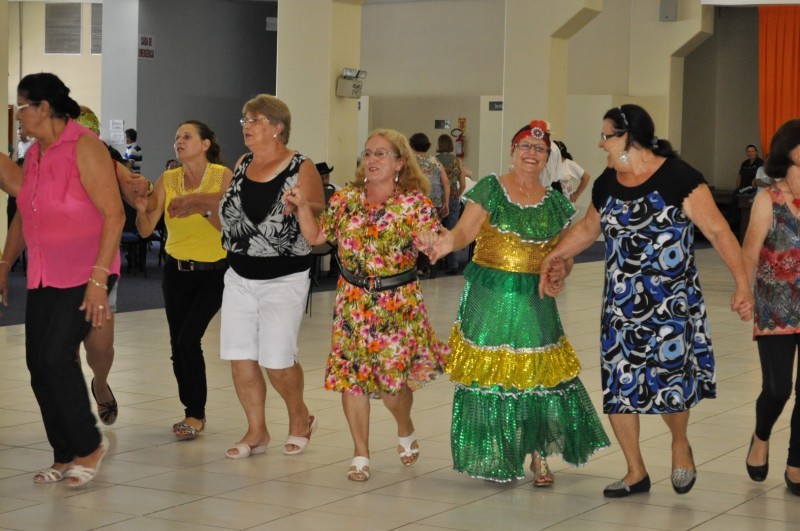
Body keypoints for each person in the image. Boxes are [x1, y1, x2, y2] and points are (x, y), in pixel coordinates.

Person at [539, 104, 753, 497]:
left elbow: (719, 231)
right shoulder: (608, 181)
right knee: (620, 386)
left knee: (670, 383)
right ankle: (635, 470)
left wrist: (742, 284)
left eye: (607, 136)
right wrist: (556, 255)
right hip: (621, 306)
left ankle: (678, 443)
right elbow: (589, 228)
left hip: (672, 304)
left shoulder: (678, 177)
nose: (600, 143)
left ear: (630, 137)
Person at [422, 120, 610, 484]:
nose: (531, 154)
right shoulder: (491, 189)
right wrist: (445, 243)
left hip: (535, 298)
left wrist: (560, 272)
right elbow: (465, 232)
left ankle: (539, 456)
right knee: (493, 376)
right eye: (524, 146)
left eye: (539, 149)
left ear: (548, 158)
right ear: (512, 152)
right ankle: (497, 453)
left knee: (536, 375)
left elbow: (564, 254)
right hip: (490, 295)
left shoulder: (555, 203)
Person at [284, 128, 448, 482]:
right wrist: (300, 207)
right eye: (368, 153)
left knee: (392, 389)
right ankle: (361, 453)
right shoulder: (346, 199)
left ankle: (404, 426)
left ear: (399, 163)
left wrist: (429, 241)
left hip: (397, 304)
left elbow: (433, 244)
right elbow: (315, 237)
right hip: (352, 302)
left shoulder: (414, 204)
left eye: (381, 154)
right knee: (351, 379)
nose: (372, 160)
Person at [0, 73, 124, 486]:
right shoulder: (36, 153)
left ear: (44, 108)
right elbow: (25, 209)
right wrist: (5, 264)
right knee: (39, 364)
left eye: (23, 107)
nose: (18, 116)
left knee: (56, 357)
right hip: (44, 273)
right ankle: (64, 452)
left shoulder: (85, 147)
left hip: (84, 273)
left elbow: (114, 213)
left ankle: (89, 445)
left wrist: (99, 278)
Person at [219, 95, 322, 460]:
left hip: (284, 277)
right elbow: (229, 208)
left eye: (257, 119)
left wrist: (301, 205)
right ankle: (256, 429)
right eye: (245, 119)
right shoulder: (243, 162)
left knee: (277, 360)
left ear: (278, 128)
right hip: (239, 274)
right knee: (240, 355)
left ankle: (299, 417)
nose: (247, 125)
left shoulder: (300, 165)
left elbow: (319, 214)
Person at [134, 120, 232, 440]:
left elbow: (229, 229)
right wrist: (139, 206)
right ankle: (192, 410)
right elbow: (146, 229)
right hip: (176, 272)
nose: (179, 141)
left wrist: (198, 207)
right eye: (176, 137)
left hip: (213, 273)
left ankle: (196, 413)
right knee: (179, 345)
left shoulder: (222, 176)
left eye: (187, 136)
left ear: (205, 144)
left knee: (189, 339)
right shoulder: (169, 178)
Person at [742, 119, 800, 496]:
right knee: (778, 389)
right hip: (776, 306)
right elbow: (749, 251)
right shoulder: (769, 200)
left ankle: (796, 464)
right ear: (785, 163)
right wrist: (743, 292)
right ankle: (761, 435)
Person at [409, 132, 449, 278]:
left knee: (414, 234)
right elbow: (445, 182)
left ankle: (417, 267)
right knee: (433, 234)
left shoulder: (410, 161)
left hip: (414, 203)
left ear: (412, 145)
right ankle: (431, 267)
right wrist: (446, 202)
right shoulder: (435, 161)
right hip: (434, 203)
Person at [435, 134, 466, 275]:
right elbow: (463, 183)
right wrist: (457, 195)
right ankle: (453, 264)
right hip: (453, 197)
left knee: (436, 230)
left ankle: (434, 261)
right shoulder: (457, 161)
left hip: (437, 198)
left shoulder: (434, 160)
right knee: (452, 230)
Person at [552, 140, 590, 204]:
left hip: (565, 204)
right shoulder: (548, 165)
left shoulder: (569, 164)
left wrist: (576, 194)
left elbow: (586, 177)